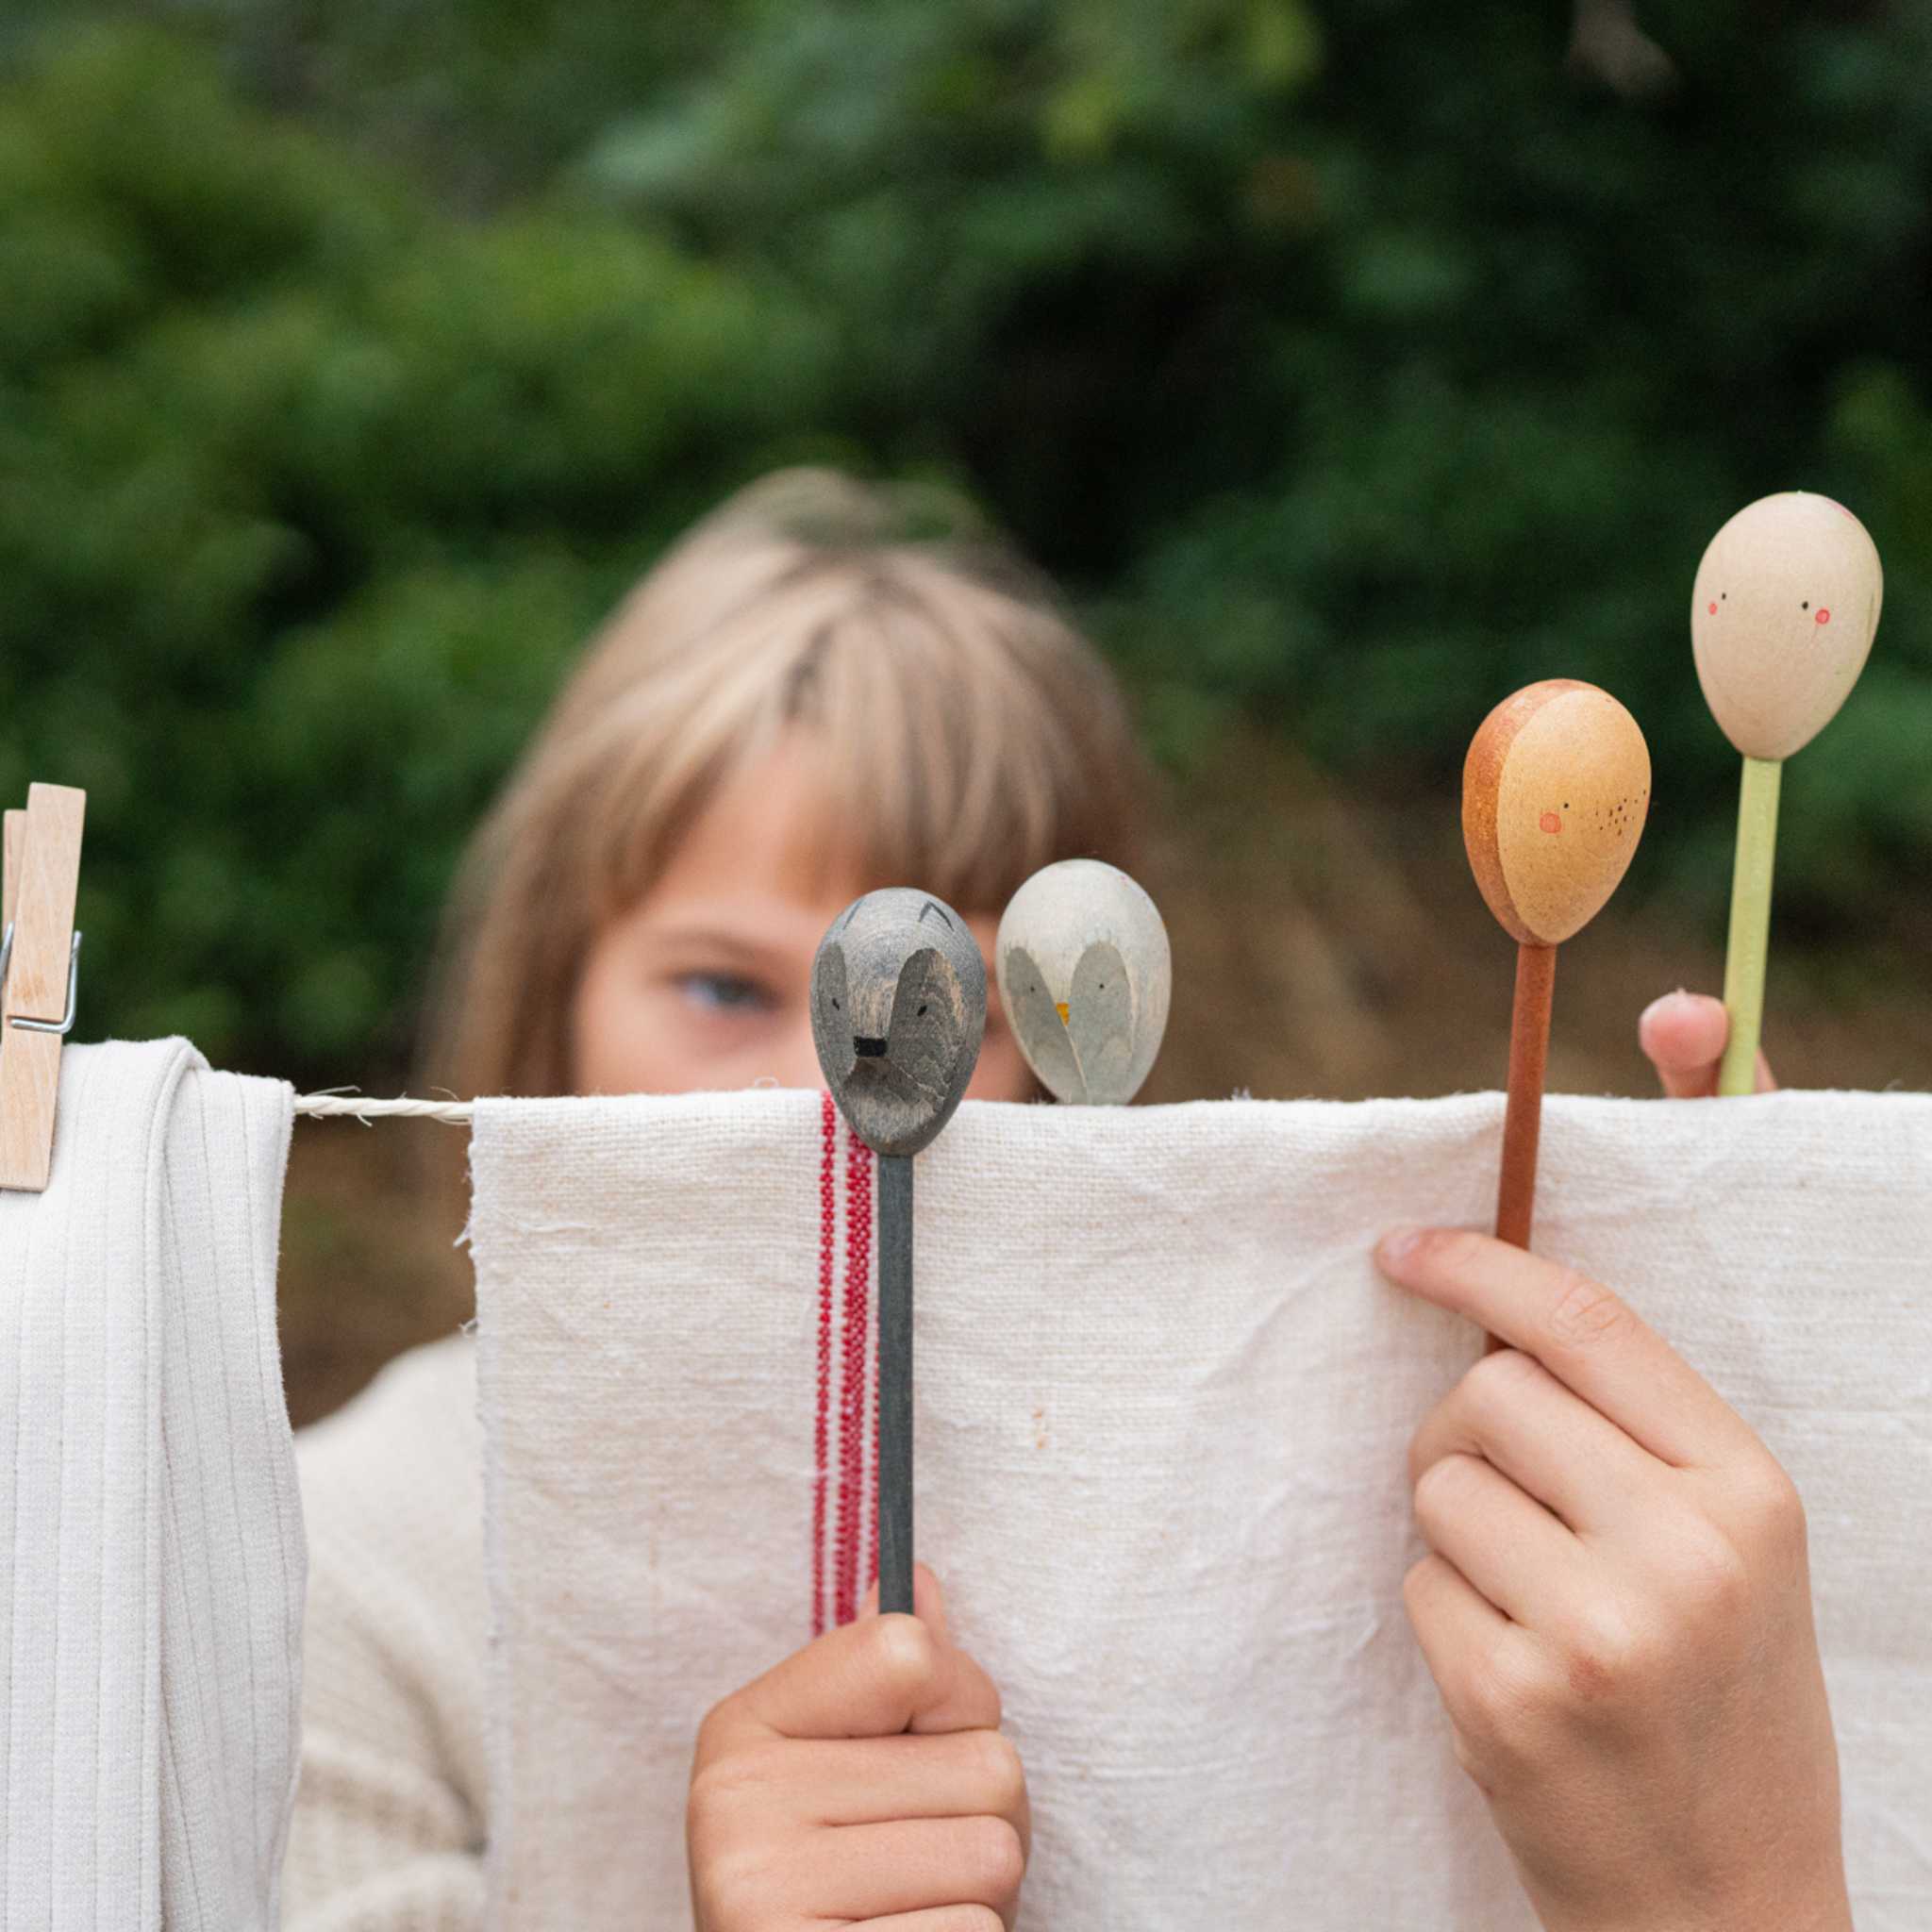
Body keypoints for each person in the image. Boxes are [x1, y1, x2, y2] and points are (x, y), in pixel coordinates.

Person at [283, 470, 1847, 1932]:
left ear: (1086, 1038)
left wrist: (1723, 1846)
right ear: (547, 995)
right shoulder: (332, 1578)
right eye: (717, 984)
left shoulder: (1269, 1502)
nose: (816, 1091)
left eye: (953, 996)